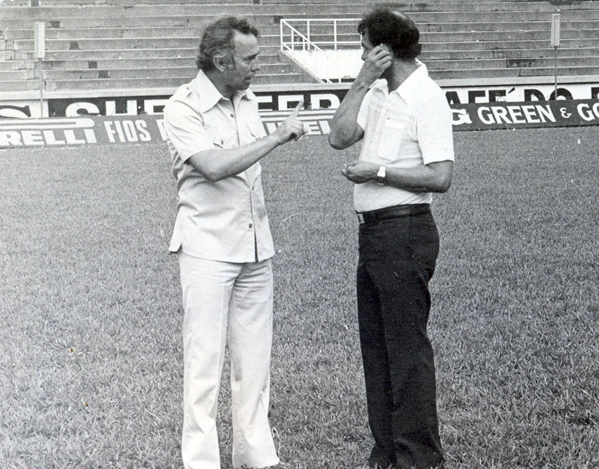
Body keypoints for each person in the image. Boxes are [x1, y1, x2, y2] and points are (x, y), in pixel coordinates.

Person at [162, 15, 305, 469]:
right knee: (204, 366)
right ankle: (202, 462)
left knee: (255, 365)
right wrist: (277, 136)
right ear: (221, 60)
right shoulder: (182, 107)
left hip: (255, 248)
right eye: (250, 59)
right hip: (206, 249)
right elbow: (214, 166)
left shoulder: (246, 99)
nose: (256, 67)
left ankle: (257, 457)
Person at [328, 7, 454, 469]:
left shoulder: (427, 97)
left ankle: (419, 457)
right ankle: (386, 452)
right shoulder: (378, 91)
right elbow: (338, 137)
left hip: (405, 230)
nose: (361, 55)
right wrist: (361, 83)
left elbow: (441, 176)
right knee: (377, 347)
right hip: (375, 234)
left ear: (383, 49)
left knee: (405, 347)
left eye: (364, 46)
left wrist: (377, 170)